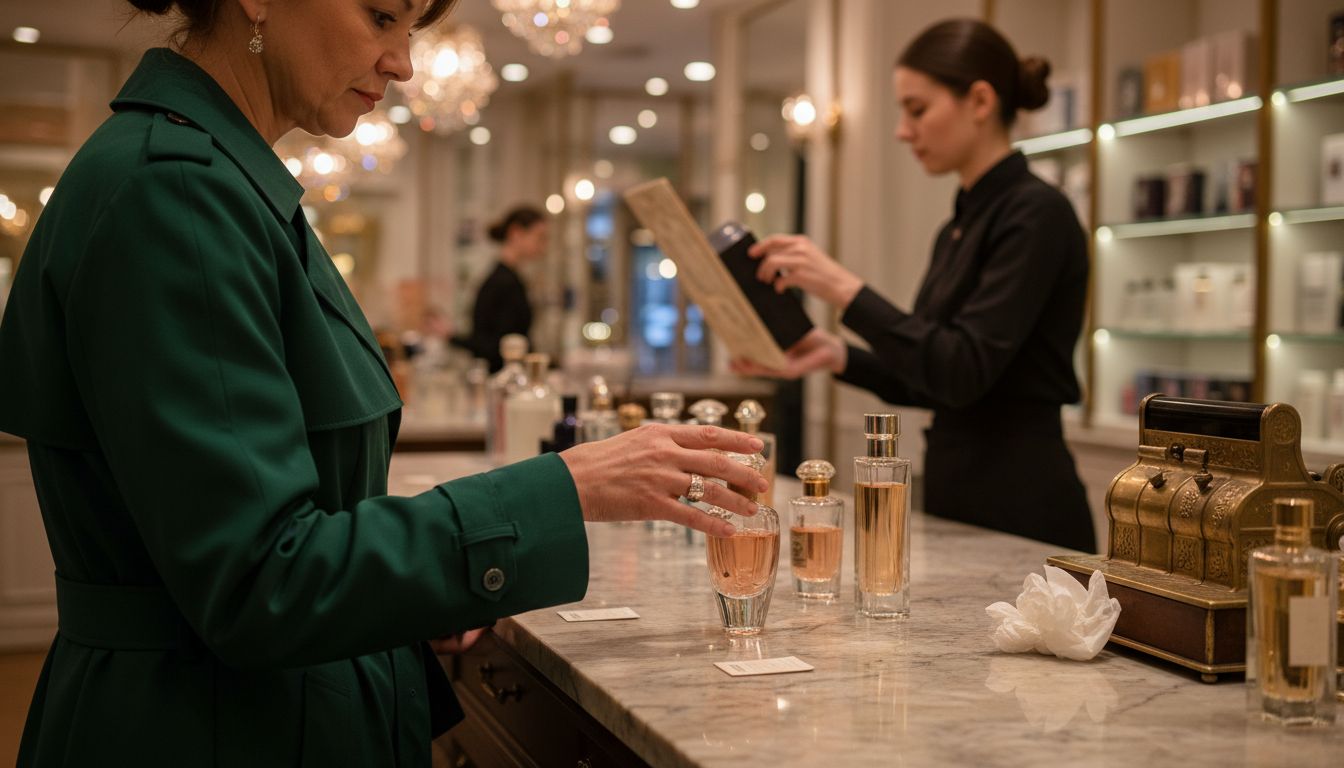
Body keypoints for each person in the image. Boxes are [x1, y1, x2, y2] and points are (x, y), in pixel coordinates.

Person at [0, 1, 765, 765]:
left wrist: (412, 595)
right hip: (207, 727)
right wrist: (564, 488)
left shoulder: (221, 182)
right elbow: (262, 583)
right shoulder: (176, 193)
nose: (402, 63)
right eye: (381, 16)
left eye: (412, 31)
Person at [734, 18, 1094, 552]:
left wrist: (845, 289)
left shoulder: (1037, 213)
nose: (903, 131)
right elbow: (933, 376)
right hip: (958, 495)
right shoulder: (960, 225)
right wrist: (837, 354)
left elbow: (961, 370)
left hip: (1021, 502)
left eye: (917, 109)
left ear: (980, 101)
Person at [451, 205, 547, 372]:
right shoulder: (502, 282)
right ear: (516, 233)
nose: (543, 247)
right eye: (539, 237)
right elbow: (489, 343)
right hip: (503, 376)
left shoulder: (510, 278)